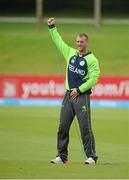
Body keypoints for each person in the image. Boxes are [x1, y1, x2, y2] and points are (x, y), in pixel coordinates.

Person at [47, 17, 100, 165]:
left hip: (81, 96)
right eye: (77, 41)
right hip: (68, 95)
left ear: (86, 42)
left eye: (81, 42)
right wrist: (52, 27)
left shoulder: (92, 59)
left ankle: (91, 157)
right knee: (62, 126)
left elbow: (94, 78)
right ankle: (62, 156)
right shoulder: (70, 53)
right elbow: (58, 42)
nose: (78, 44)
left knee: (85, 128)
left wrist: (80, 89)